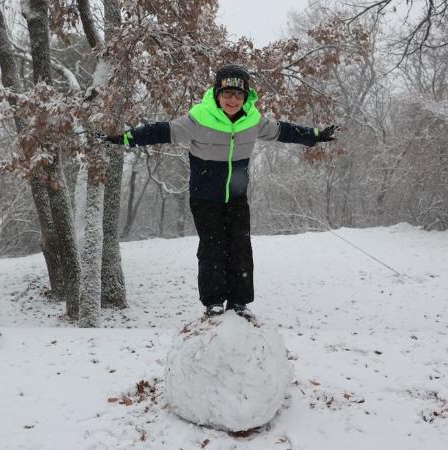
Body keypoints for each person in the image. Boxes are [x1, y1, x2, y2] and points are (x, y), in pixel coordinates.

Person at [102, 64, 336, 319]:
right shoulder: (198, 118)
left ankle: (239, 302)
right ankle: (213, 302)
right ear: (217, 94)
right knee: (212, 249)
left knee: (240, 247)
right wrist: (126, 138)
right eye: (227, 94)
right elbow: (161, 131)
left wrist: (314, 135)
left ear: (246, 97)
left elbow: (284, 131)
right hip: (204, 198)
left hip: (236, 197)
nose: (232, 99)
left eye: (238, 95)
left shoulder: (254, 121)